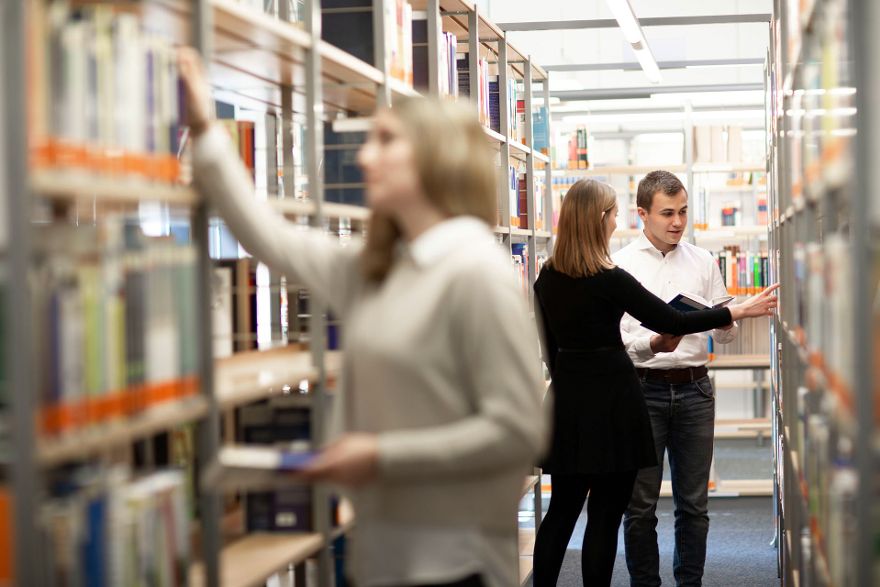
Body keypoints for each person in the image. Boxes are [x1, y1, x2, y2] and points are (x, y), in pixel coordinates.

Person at [178, 49, 545, 587]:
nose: (364, 158)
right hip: (378, 555)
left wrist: (378, 456)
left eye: (386, 140)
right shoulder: (377, 267)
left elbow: (516, 431)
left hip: (452, 565)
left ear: (437, 158)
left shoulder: (476, 273)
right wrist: (206, 131)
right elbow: (271, 238)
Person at [530, 179, 777, 587]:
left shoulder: (546, 278)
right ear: (599, 220)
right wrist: (739, 311)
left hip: (567, 406)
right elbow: (672, 321)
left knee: (562, 510)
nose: (615, 222)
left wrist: (573, 384)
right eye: (611, 214)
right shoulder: (610, 275)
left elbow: (549, 350)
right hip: (615, 403)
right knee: (608, 516)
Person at [614, 171, 739, 587]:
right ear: (642, 215)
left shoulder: (703, 261)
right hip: (641, 391)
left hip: (695, 390)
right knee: (640, 506)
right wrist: (652, 342)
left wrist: (722, 320)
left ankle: (690, 583)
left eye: (683, 211)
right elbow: (616, 336)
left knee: (694, 505)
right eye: (667, 213)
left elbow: (728, 331)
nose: (678, 222)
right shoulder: (620, 264)